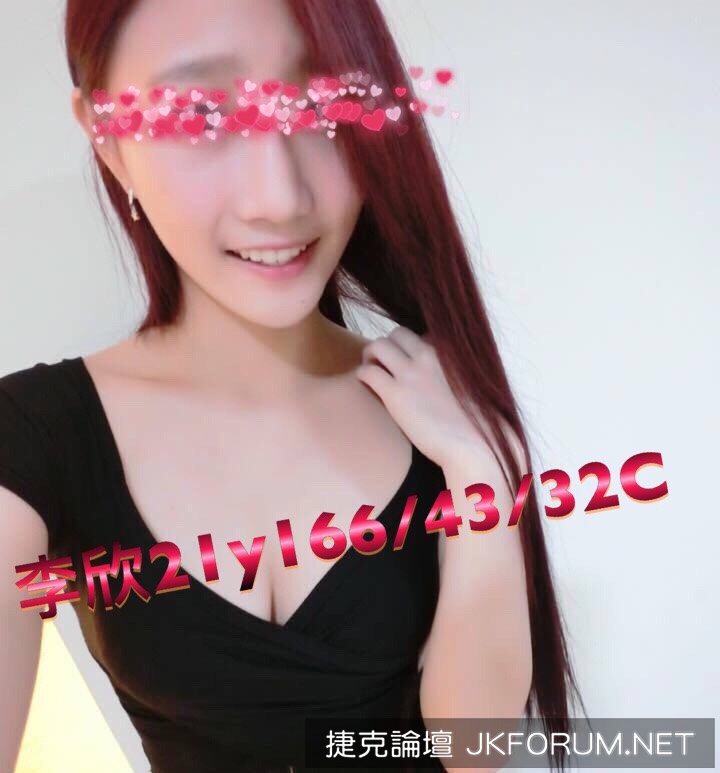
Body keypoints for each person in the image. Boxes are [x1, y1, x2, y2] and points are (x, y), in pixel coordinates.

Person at [1, 0, 587, 771]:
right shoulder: (34, 438)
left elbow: (471, 750)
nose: (280, 197)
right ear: (107, 138)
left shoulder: (430, 410)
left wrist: (481, 470)